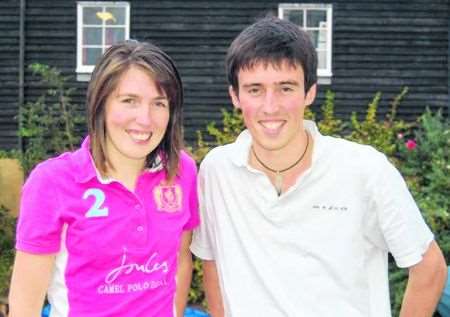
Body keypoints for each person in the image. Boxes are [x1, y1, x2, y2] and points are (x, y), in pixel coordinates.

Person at [190, 17, 447, 316]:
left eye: (286, 88)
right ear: (235, 96)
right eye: (255, 89)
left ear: (309, 92)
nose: (270, 106)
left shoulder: (364, 169)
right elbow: (213, 263)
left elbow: (429, 267)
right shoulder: (217, 170)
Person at [9, 40, 199, 316]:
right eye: (129, 101)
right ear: (101, 104)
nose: (145, 119)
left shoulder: (183, 170)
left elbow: (181, 259)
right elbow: (24, 306)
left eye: (159, 103)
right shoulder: (52, 183)